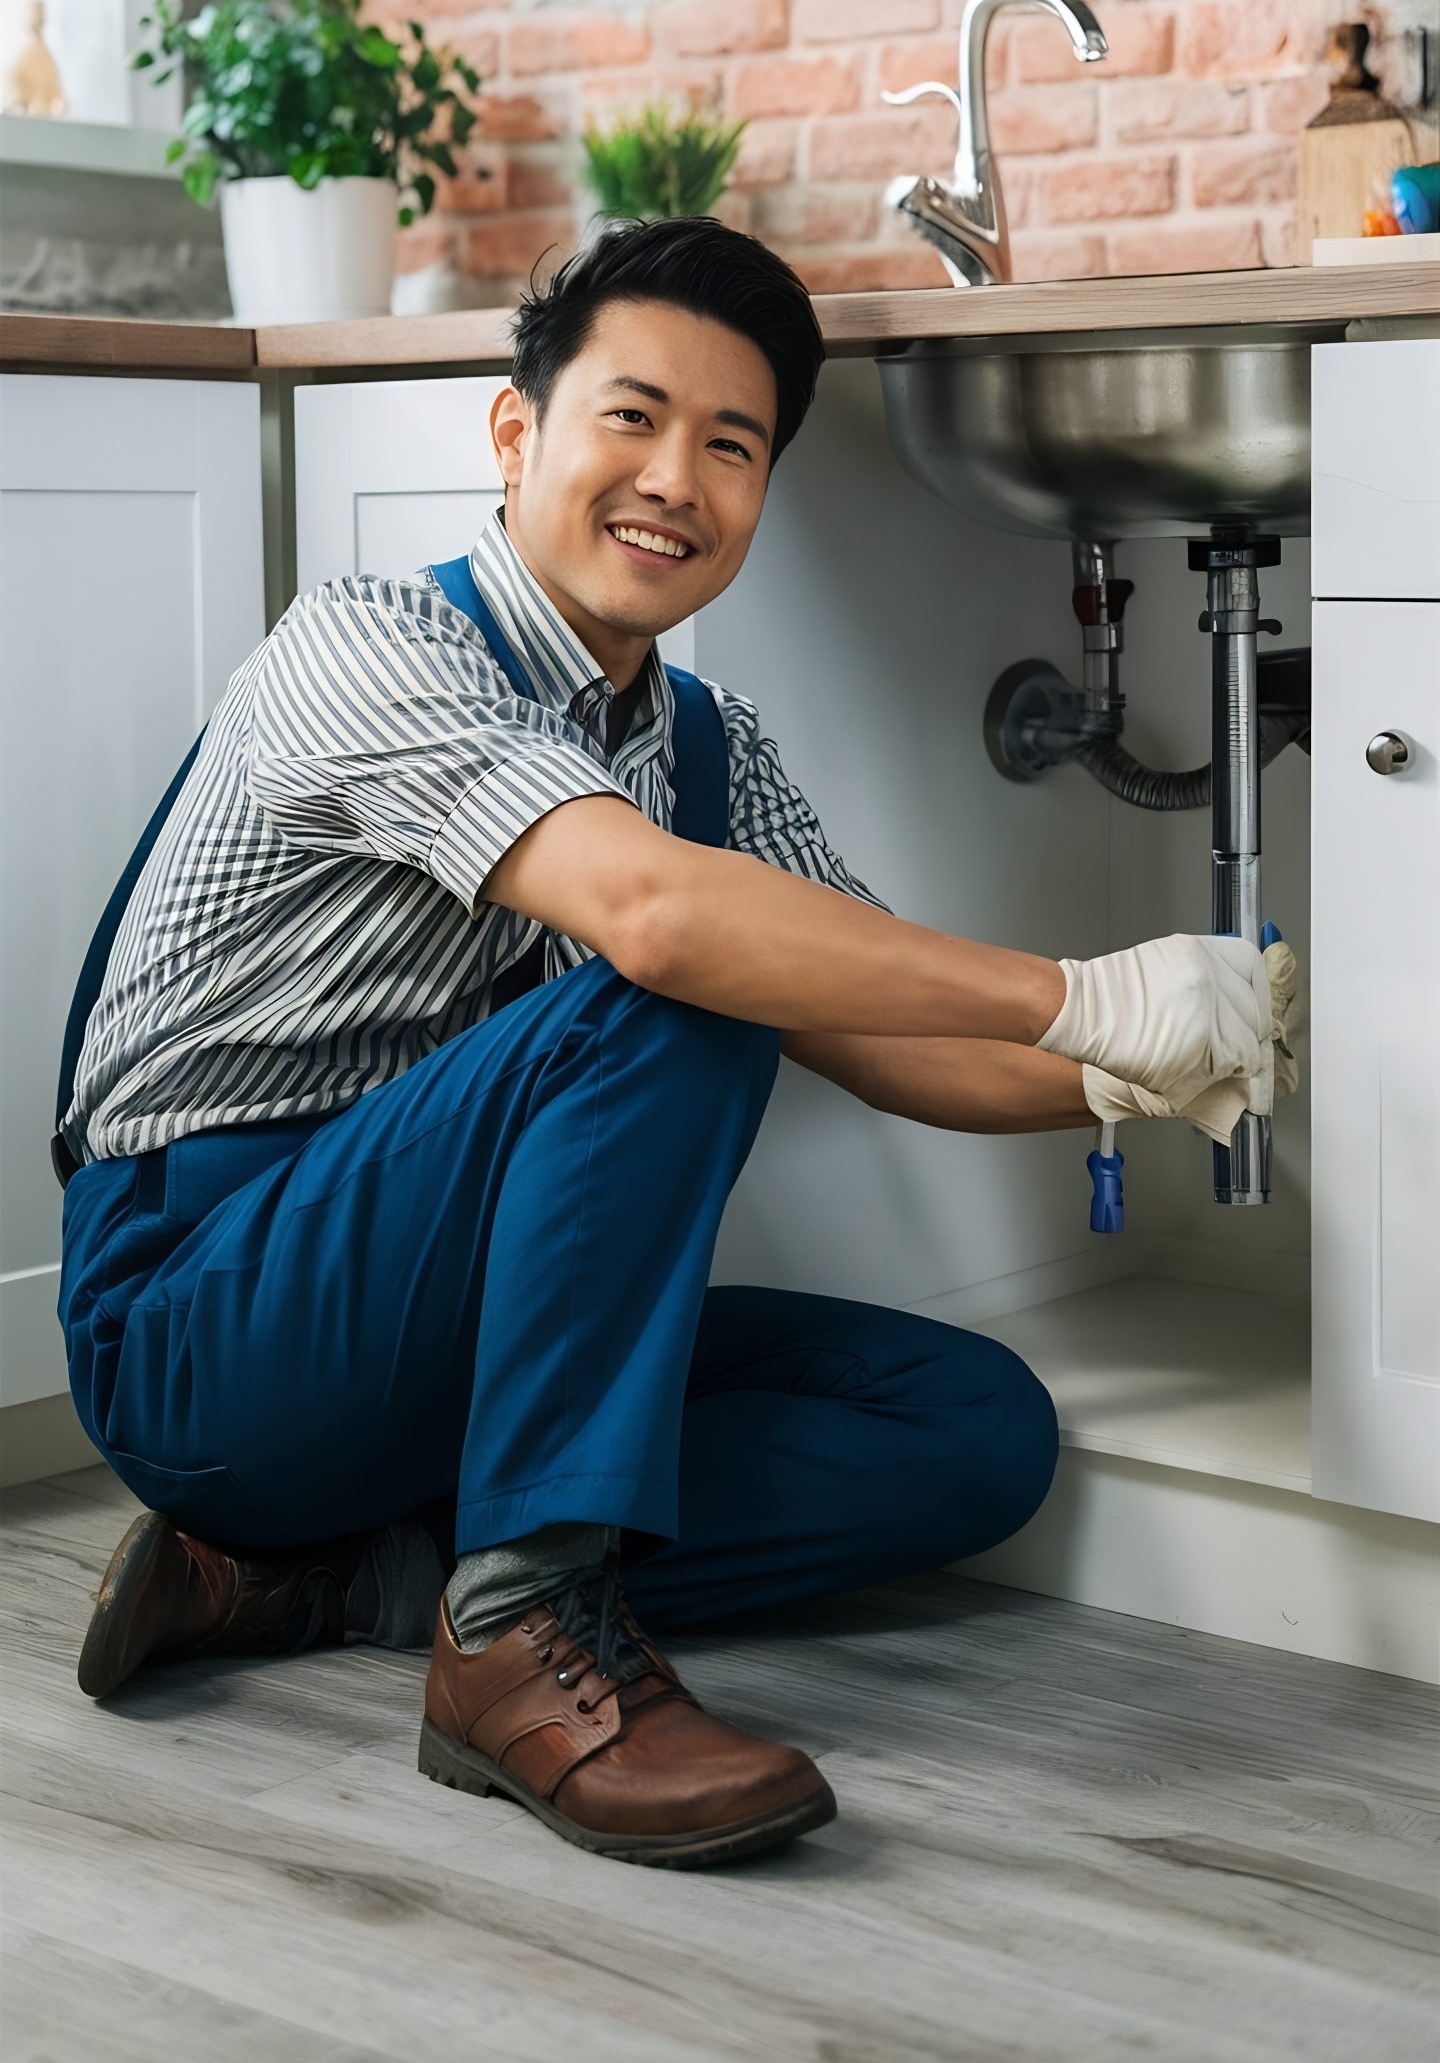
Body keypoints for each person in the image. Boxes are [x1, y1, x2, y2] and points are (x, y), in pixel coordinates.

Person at [58, 216, 1283, 1871]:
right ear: (518, 433)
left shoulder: (705, 746)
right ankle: (518, 1644)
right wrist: (1080, 988)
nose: (675, 480)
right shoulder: (365, 645)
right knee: (677, 985)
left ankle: (345, 1575)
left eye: (731, 444)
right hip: (206, 1320)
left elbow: (886, 1032)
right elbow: (659, 926)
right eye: (630, 417)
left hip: (435, 1324)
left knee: (971, 1428)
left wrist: (1161, 1057)